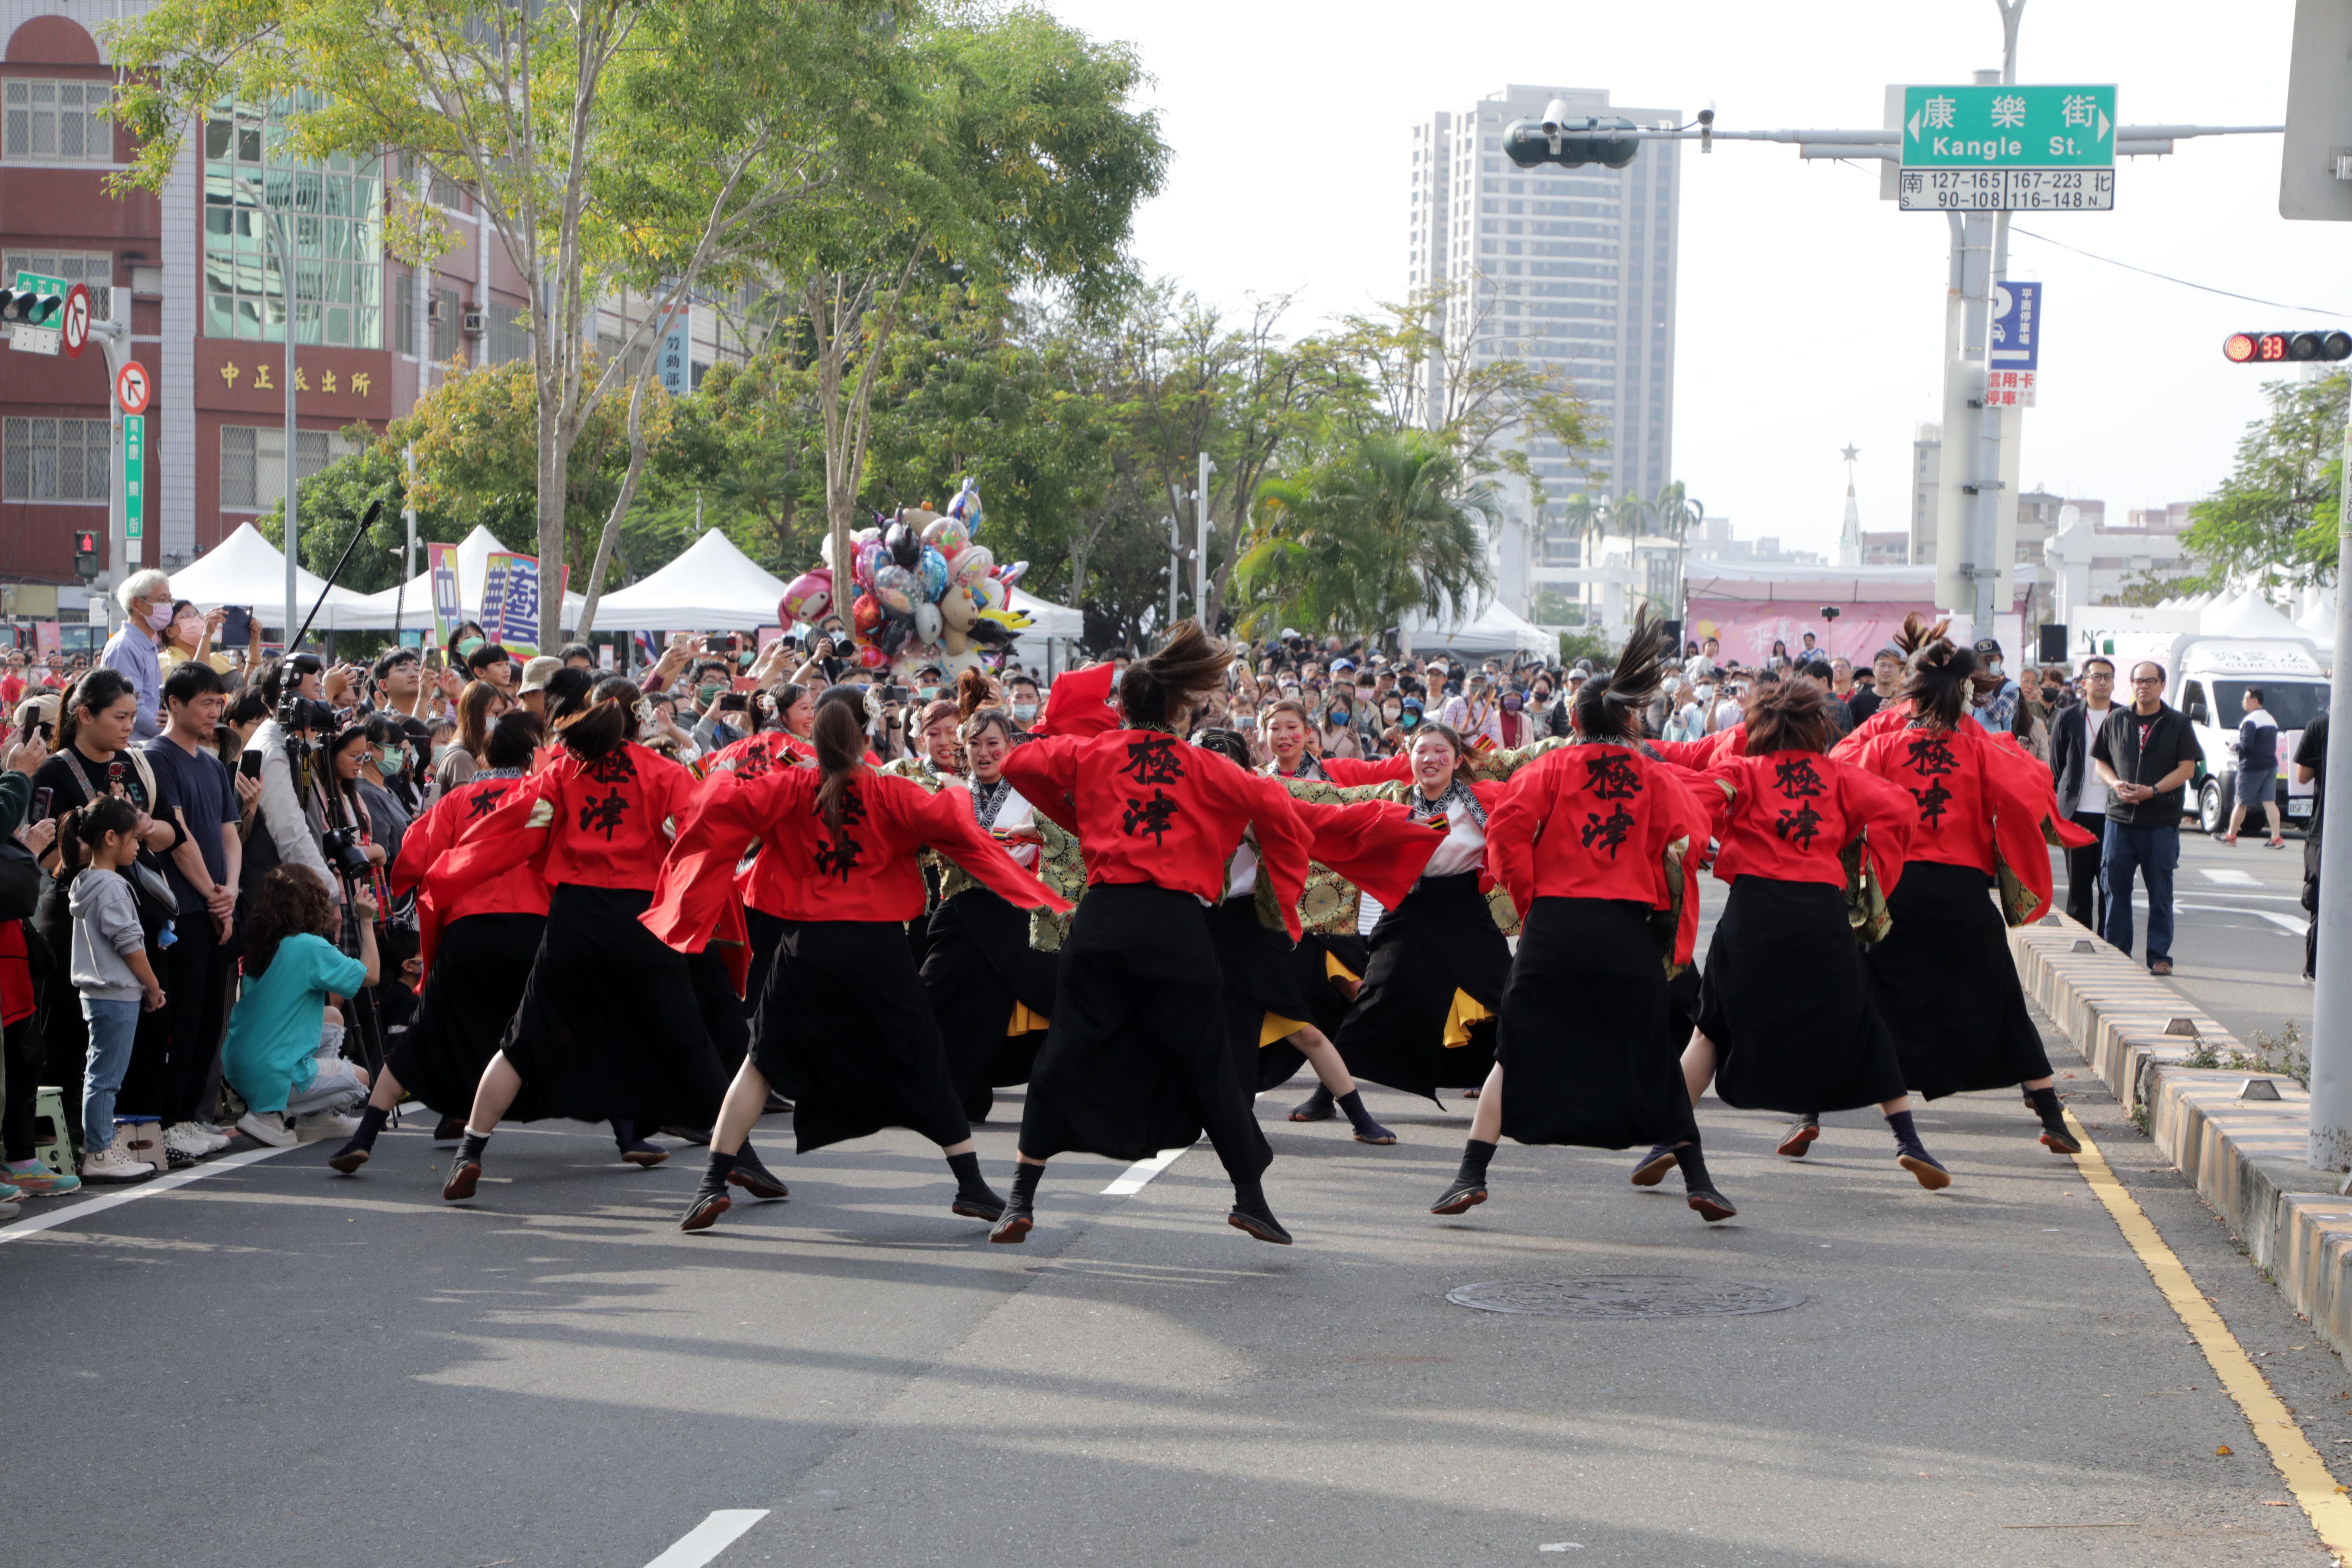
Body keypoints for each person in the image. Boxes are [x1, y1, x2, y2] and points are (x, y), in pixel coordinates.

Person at [646, 695, 1068, 1233]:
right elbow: (950, 821)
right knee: (922, 1056)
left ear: (813, 744)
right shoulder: (889, 789)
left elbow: (720, 805)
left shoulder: (790, 787)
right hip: (876, 946)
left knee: (761, 1062)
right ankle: (971, 1185)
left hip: (807, 947)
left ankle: (711, 1181)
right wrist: (961, 797)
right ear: (865, 741)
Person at [990, 621, 1315, 1246]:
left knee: (1064, 1051)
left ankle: (1020, 1198)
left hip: (1105, 918)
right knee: (1209, 1059)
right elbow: (1277, 811)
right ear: (1176, 707)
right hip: (1175, 926)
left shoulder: (1092, 752)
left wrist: (1077, 813)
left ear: (1124, 708)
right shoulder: (1207, 764)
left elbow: (1020, 760)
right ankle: (1250, 1197)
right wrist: (1276, 883)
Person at [1437, 611, 1730, 1221]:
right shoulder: (1652, 774)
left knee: (1515, 1048)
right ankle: (1699, 1180)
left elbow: (1507, 834)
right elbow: (1693, 836)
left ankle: (1470, 1173)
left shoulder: (1547, 768)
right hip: (1625, 927)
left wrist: (1529, 898)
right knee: (1652, 1050)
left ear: (1574, 720)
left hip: (1555, 926)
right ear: (1629, 719)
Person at [432, 678, 746, 1199]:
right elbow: (702, 826)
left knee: (520, 1041)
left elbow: (518, 824)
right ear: (635, 719)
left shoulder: (561, 772)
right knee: (688, 1040)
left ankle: (471, 1149)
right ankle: (735, 1163)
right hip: (640, 919)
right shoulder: (661, 771)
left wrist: (453, 867)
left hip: (575, 918)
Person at [1656, 677, 1948, 1189]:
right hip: (1821, 915)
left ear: (1760, 727)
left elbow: (1688, 801)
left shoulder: (1741, 771)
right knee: (1865, 1022)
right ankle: (1909, 1141)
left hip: (1755, 915)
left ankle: (1664, 1137)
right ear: (1816, 726)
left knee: (1711, 1028)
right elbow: (1901, 809)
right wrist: (1861, 854)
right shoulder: (1838, 776)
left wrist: (1717, 847)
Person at [1835, 629, 2095, 1157]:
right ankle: (2052, 1117)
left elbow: (1839, 783)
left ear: (1913, 688)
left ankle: (1814, 1112)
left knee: (1859, 1001)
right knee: (2003, 1004)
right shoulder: (1980, 747)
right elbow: (2031, 788)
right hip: (1964, 898)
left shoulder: (1883, 742)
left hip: (1898, 894)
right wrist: (2059, 832)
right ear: (1965, 691)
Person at [327, 713, 551, 1169]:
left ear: (486, 755)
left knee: (427, 1034)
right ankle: (631, 1137)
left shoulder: (457, 800)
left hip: (467, 933)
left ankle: (364, 1136)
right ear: (533, 755)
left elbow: (410, 859)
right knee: (571, 1028)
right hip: (533, 931)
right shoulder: (542, 799)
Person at [1321, 724, 1514, 1107]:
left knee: (1507, 995)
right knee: (1375, 996)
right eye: (1421, 751)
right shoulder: (1396, 799)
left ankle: (1514, 1082)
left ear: (1458, 760)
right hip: (1411, 907)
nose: (1430, 759)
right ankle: (1328, 1093)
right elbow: (1339, 806)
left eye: (1441, 751)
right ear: (1408, 759)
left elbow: (1537, 801)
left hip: (1464, 908)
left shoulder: (1487, 798)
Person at [916, 675, 1073, 1122]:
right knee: (935, 996)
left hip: (1013, 909)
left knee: (1060, 991)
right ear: (962, 750)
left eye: (993, 744)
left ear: (1010, 745)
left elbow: (1067, 833)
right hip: (959, 909)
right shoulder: (949, 790)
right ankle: (951, 1092)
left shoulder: (1032, 790)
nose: (983, 753)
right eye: (974, 745)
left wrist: (1038, 832)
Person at [143, 660, 248, 1167]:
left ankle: (191, 1118)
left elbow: (230, 832)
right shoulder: (156, 757)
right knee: (182, 1019)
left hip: (215, 907)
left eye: (218, 702)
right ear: (174, 704)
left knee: (210, 1017)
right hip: (182, 910)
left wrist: (229, 889)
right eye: (205, 702)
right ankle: (168, 1122)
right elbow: (178, 837)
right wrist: (213, 894)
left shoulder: (211, 763)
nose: (214, 711)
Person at [221, 867, 377, 1146]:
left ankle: (313, 1117)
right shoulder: (309, 947)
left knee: (333, 1017)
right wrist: (366, 921)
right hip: (275, 1070)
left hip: (240, 1065)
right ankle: (270, 1115)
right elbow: (371, 975)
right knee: (362, 1079)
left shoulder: (264, 945)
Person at [63, 797, 167, 1182]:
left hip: (96, 991)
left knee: (100, 1073)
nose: (139, 846)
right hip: (116, 992)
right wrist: (153, 986)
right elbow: (130, 945)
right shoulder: (111, 885)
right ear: (110, 838)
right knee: (107, 1077)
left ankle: (100, 1147)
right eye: (133, 839)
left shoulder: (85, 881)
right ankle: (100, 1152)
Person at [2091, 661, 2199, 974]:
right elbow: (2101, 763)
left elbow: (2187, 769)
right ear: (2131, 685)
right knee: (2115, 888)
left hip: (2160, 821)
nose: (2144, 687)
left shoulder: (2178, 723)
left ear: (2162, 685)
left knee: (2161, 892)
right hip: (2119, 820)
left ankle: (2160, 956)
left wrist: (2153, 791)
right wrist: (2115, 784)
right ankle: (2117, 952)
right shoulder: (2116, 719)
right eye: (2139, 681)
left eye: (2151, 681)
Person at [2047, 657, 2118, 930]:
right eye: (2097, 676)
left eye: (2108, 677)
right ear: (2084, 682)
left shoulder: (2124, 716)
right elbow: (2057, 767)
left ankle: (2107, 942)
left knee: (2110, 885)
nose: (2103, 682)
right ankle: (2080, 940)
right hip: (2077, 814)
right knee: (2078, 888)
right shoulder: (2068, 717)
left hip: (2114, 815)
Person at [102, 568, 174, 742]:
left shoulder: (148, 646)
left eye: (170, 601)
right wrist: (169, 734)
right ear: (137, 604)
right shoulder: (125, 647)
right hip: (133, 747)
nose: (168, 607)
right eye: (162, 600)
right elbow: (133, 709)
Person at [2224, 686, 2287, 848]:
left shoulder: (2250, 721)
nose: (2243, 702)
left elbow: (2246, 747)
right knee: (2269, 802)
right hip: (2271, 766)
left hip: (2252, 767)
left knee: (2241, 802)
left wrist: (2233, 747)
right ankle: (2276, 837)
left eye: (2246, 698)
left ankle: (2231, 836)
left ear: (2255, 701)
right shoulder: (2272, 720)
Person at [2296, 707, 2329, 980]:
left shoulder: (2319, 725)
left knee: (2320, 903)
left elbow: (2303, 777)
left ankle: (2315, 969)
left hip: (2324, 829)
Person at [435, 679, 507, 794]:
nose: (500, 719)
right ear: (476, 714)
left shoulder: (474, 750)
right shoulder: (461, 758)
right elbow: (468, 806)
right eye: (496, 713)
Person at [159, 601, 232, 675]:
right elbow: (196, 682)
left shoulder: (215, 660)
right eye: (186, 616)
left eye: (198, 616)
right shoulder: (163, 662)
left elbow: (241, 682)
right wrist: (207, 635)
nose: (196, 619)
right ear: (169, 632)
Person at [1967, 637, 2022, 735]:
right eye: (1982, 660)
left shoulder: (2010, 688)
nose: (1987, 664)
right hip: (1972, 742)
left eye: (1991, 659)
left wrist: (1982, 688)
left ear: (2002, 660)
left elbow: (1997, 716)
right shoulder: (1969, 683)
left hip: (1997, 745)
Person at [1845, 649, 1902, 728]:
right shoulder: (1858, 701)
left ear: (1900, 671)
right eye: (1882, 665)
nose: (1886, 670)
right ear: (1874, 670)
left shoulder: (1906, 701)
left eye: (1891, 666)